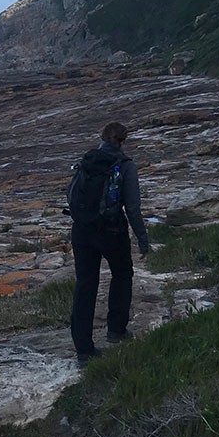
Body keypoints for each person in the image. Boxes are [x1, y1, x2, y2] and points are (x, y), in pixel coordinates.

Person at [70, 121, 149, 362]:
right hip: (112, 230)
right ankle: (116, 330)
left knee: (85, 285)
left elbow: (71, 194)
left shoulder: (87, 161)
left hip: (82, 230)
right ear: (123, 140)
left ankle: (84, 349)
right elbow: (133, 208)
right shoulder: (125, 166)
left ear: (101, 137)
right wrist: (143, 240)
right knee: (122, 274)